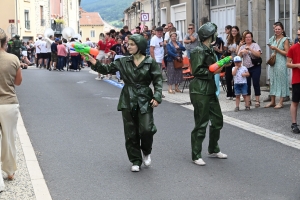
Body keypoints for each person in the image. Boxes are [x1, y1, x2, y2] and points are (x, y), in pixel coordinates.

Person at [88, 34, 163, 172]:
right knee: (130, 131)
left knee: (147, 129)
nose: (128, 46)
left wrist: (157, 96)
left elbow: (158, 80)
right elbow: (107, 69)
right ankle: (135, 160)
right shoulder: (123, 61)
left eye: (132, 44)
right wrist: (94, 63)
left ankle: (146, 150)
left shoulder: (150, 62)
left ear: (140, 46)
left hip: (145, 97)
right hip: (128, 97)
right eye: (128, 44)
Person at [189, 22, 227, 166]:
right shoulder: (199, 50)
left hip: (210, 88)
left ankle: (213, 148)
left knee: (217, 120)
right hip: (200, 89)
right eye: (214, 33)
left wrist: (221, 64)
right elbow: (197, 71)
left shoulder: (209, 49)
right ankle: (196, 154)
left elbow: (212, 68)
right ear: (208, 35)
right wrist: (215, 70)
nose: (216, 35)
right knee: (201, 122)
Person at [0, 28, 22, 191]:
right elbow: (18, 82)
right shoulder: (13, 58)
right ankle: (9, 172)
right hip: (9, 103)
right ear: (5, 43)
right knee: (9, 139)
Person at [264, 23, 290, 109]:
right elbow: (270, 46)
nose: (277, 30)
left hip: (281, 62)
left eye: (279, 29)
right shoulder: (272, 39)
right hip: (274, 62)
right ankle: (272, 101)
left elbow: (287, 53)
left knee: (281, 81)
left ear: (282, 30)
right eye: (276, 29)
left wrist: (276, 49)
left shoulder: (285, 39)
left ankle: (281, 102)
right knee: (273, 80)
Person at [237, 31, 262, 108]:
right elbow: (238, 58)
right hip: (246, 68)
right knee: (247, 84)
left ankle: (257, 100)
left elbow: (258, 55)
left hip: (255, 67)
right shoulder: (242, 46)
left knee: (255, 83)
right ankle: (248, 101)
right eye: (246, 37)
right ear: (244, 38)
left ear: (252, 38)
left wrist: (250, 50)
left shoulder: (255, 45)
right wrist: (241, 52)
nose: (248, 38)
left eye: (249, 37)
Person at [286, 28, 300, 134]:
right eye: (298, 34)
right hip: (297, 79)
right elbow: (288, 64)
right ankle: (294, 124)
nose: (299, 36)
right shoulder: (293, 48)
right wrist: (297, 65)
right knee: (295, 101)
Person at [224, 26, 241, 100]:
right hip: (229, 59)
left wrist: (235, 49)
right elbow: (225, 48)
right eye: (232, 31)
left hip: (236, 60)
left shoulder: (239, 40)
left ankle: (235, 93)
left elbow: (240, 49)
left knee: (235, 77)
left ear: (237, 31)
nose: (233, 32)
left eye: (235, 31)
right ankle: (229, 93)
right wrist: (228, 50)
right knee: (228, 77)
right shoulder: (229, 39)